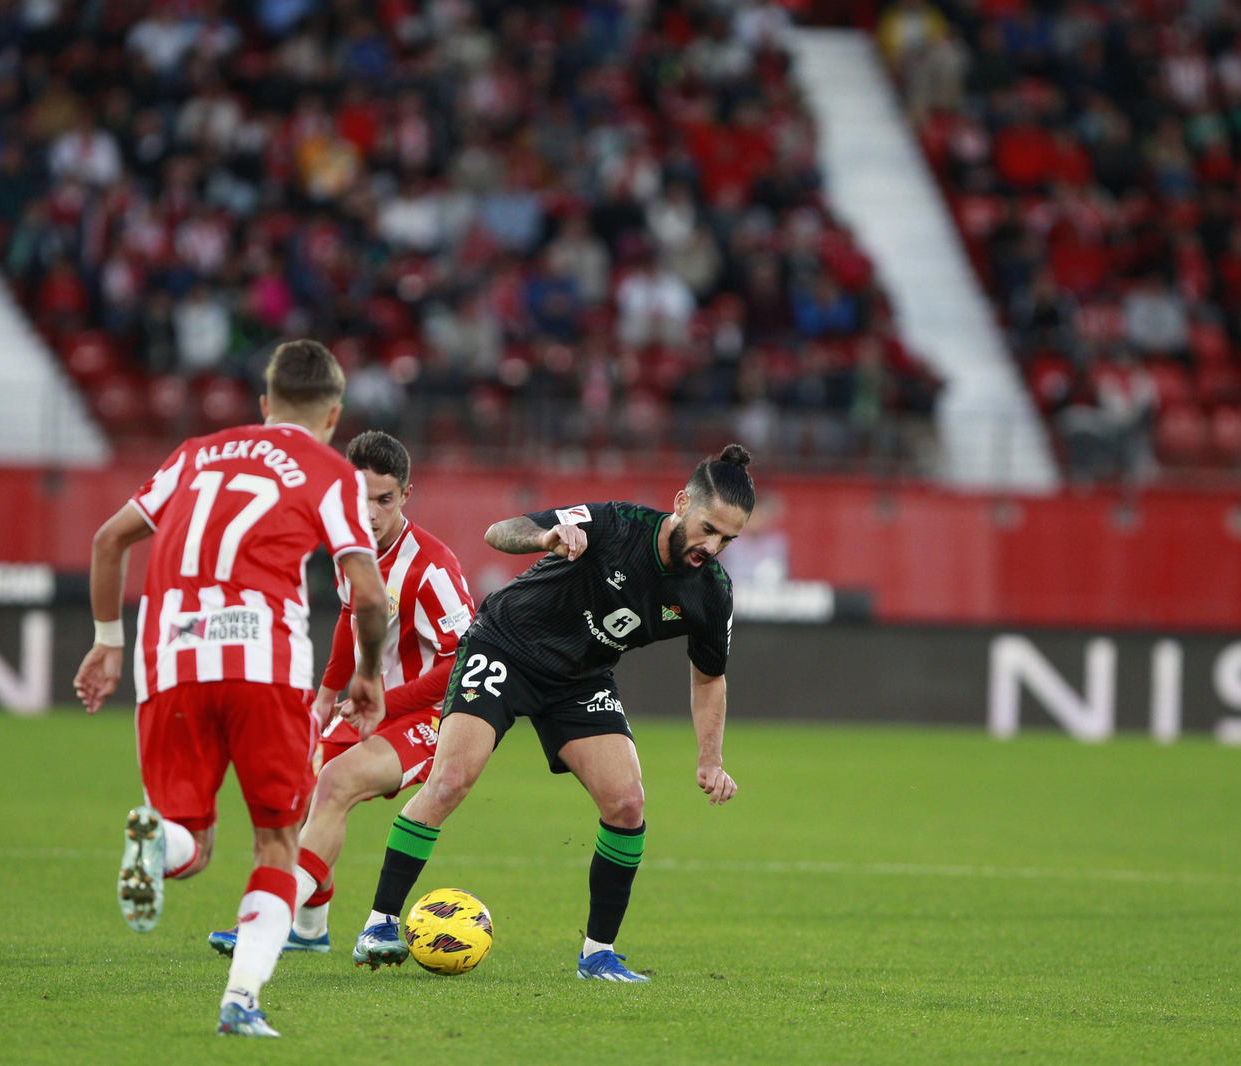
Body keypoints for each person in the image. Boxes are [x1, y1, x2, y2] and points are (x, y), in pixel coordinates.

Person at [73, 340, 389, 1038]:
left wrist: (107, 642)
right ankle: (240, 1000)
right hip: (262, 659)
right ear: (332, 415)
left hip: (170, 656)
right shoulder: (329, 471)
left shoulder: (193, 454)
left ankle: (156, 844)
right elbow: (368, 593)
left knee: (191, 840)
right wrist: (368, 672)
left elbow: (107, 540)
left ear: (263, 403)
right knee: (276, 844)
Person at [351, 444, 753, 982]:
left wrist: (710, 759)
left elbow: (709, 677)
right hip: (505, 648)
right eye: (707, 528)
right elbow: (501, 530)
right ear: (681, 502)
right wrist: (547, 536)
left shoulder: (711, 593)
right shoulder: (616, 523)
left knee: (628, 803)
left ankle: (598, 955)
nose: (713, 546)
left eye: (728, 538)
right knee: (449, 779)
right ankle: (379, 922)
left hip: (580, 679)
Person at [207, 431, 474, 957]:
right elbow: (353, 616)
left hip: (429, 713)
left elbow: (463, 663)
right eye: (359, 498)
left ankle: (267, 922)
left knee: (333, 784)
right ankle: (309, 931)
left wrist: (385, 704)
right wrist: (326, 696)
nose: (370, 514)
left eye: (384, 499)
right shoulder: (348, 549)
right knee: (301, 802)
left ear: (406, 495)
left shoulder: (431, 568)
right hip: (364, 704)